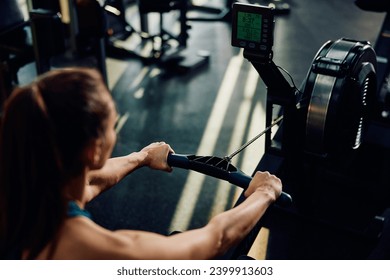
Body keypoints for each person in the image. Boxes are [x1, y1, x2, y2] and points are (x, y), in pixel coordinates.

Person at [0, 67, 282, 260]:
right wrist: (264, 193)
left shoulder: (27, 189)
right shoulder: (89, 249)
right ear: (93, 150)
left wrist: (142, 157)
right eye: (112, 125)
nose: (115, 132)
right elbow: (214, 240)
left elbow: (90, 182)